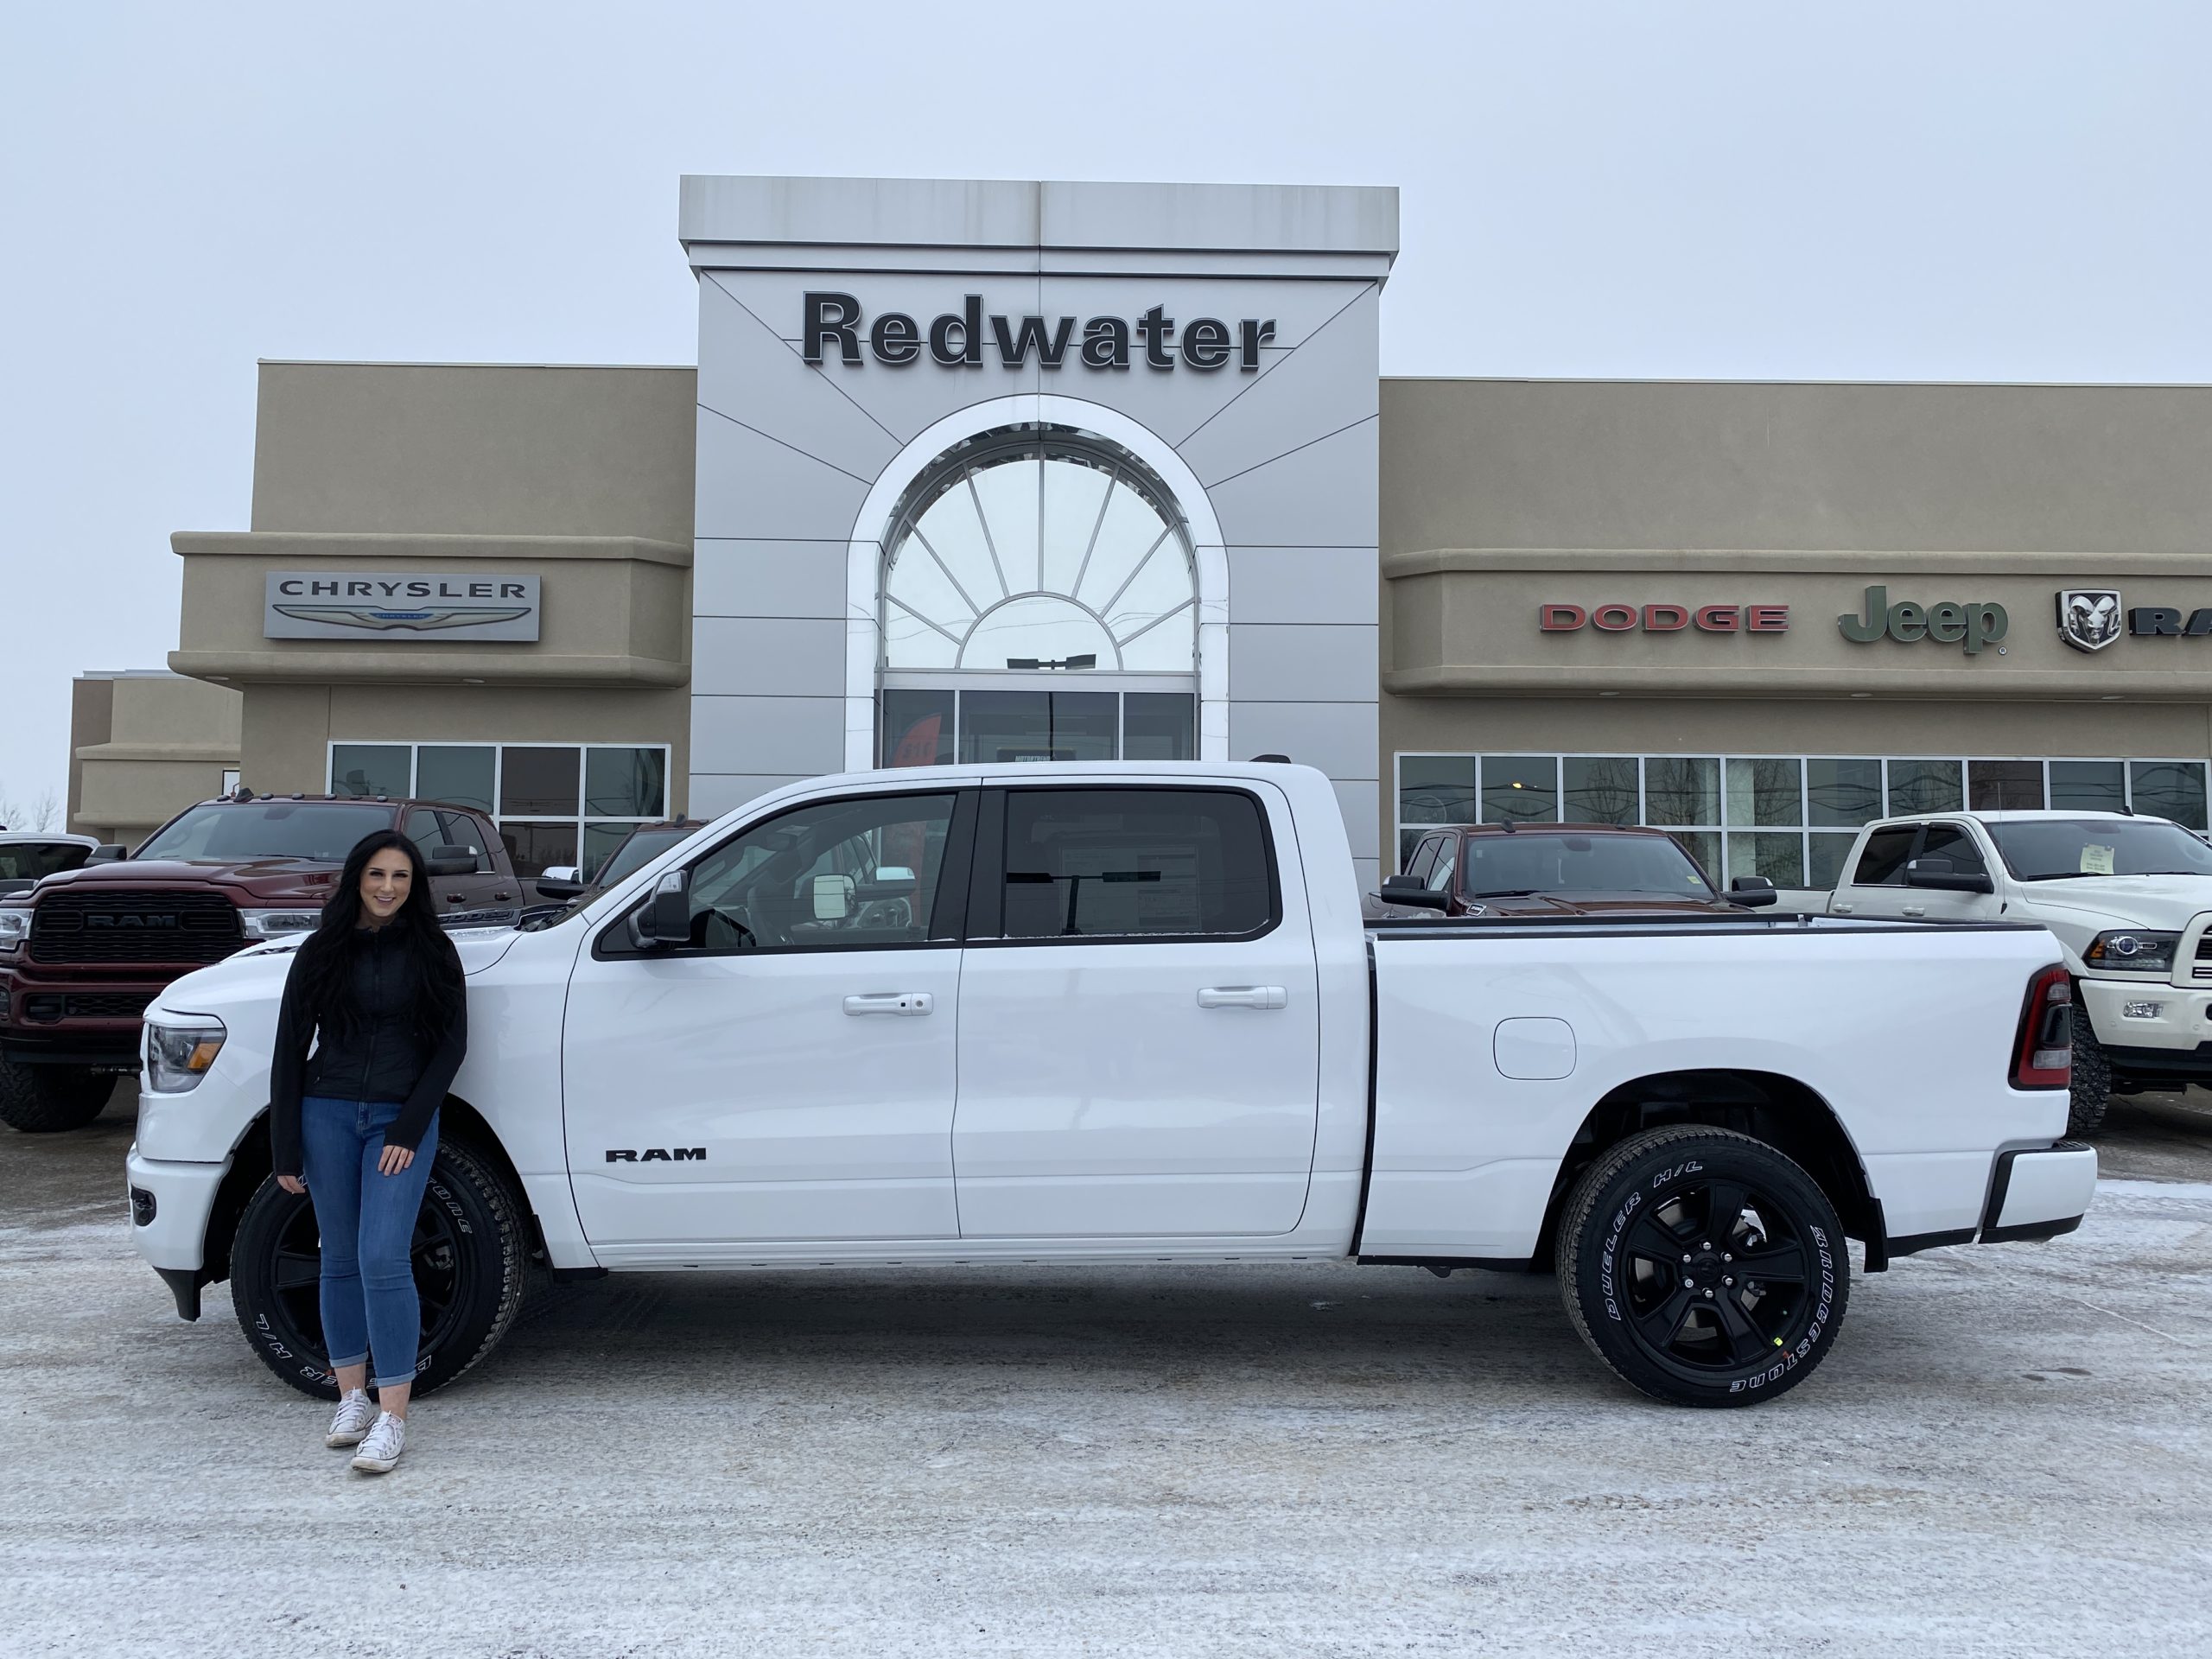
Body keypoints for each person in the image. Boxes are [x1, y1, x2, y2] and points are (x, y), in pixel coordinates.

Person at [268, 830, 467, 1475]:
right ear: (357, 877)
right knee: (340, 1257)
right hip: (324, 1113)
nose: (388, 888)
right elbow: (290, 1048)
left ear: (415, 886)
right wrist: (285, 1147)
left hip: (395, 1119)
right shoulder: (321, 951)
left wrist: (409, 1128)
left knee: (383, 1256)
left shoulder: (434, 951)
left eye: (401, 878)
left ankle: (392, 1417)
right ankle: (350, 1398)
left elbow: (450, 1047)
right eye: (378, 874)